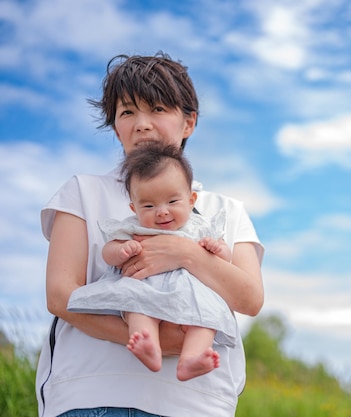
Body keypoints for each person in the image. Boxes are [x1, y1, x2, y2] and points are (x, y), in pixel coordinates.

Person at [36, 52, 264, 417]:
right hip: (93, 394)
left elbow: (250, 298)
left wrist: (185, 254)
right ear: (116, 127)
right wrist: (150, 339)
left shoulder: (227, 210)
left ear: (188, 122)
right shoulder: (82, 192)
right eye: (127, 113)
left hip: (198, 403)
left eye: (158, 109)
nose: (142, 124)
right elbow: (61, 295)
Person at [67, 143, 235, 381]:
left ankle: (191, 359)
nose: (162, 212)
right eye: (148, 205)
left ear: (191, 200)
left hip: (192, 295)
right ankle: (149, 347)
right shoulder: (132, 227)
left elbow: (224, 258)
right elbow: (108, 250)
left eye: (172, 202)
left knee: (206, 317)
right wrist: (122, 250)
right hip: (145, 286)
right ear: (134, 208)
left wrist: (218, 249)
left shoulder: (201, 227)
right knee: (137, 306)